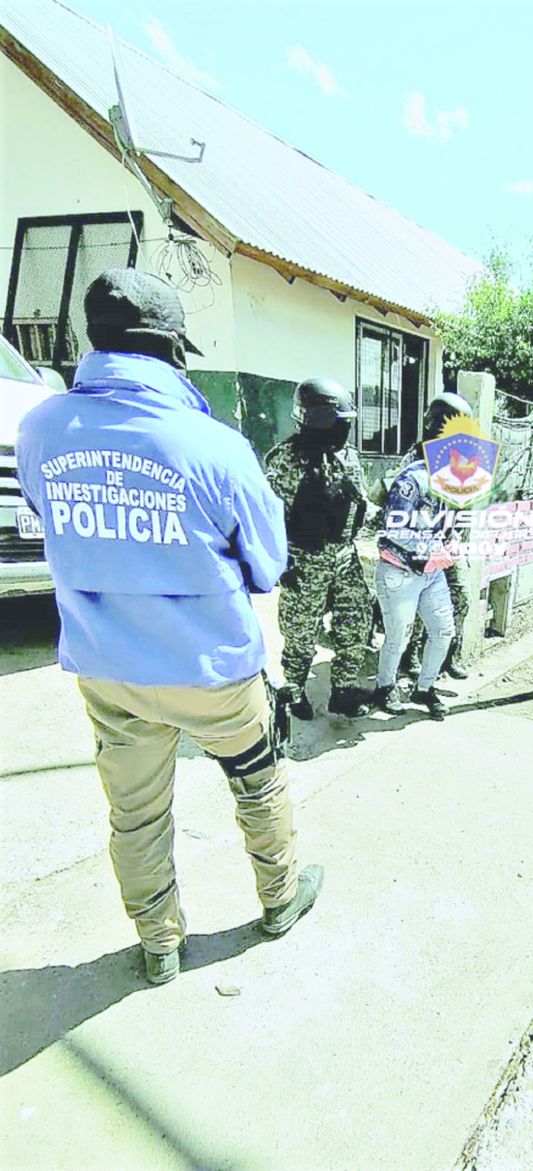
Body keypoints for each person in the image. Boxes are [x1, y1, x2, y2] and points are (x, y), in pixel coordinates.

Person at [16, 267, 323, 986]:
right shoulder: (216, 446)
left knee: (136, 814)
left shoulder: (38, 428)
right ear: (170, 349)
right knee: (257, 783)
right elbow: (268, 562)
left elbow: (47, 515)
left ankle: (159, 945)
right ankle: (279, 900)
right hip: (214, 674)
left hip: (109, 672)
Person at [265, 377, 374, 720]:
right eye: (340, 423)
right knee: (300, 632)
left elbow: (360, 503)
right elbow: (270, 517)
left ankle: (342, 690)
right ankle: (294, 691)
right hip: (303, 560)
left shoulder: (350, 458)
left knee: (356, 622)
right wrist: (279, 564)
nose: (344, 430)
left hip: (344, 555)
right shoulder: (284, 460)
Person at [373, 424, 462, 720]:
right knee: (399, 635)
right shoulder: (412, 480)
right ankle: (385, 686)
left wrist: (452, 541)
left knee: (443, 630)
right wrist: (434, 547)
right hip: (400, 570)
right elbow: (395, 528)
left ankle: (424, 687)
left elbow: (448, 524)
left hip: (430, 572)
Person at [397, 393, 473, 681]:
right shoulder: (413, 459)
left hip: (448, 542)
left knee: (461, 597)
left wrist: (456, 538)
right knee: (419, 601)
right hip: (419, 544)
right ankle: (411, 654)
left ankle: (450, 654)